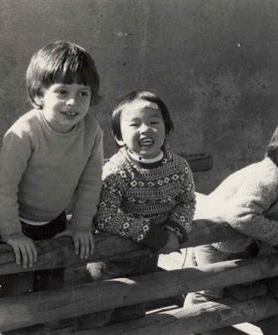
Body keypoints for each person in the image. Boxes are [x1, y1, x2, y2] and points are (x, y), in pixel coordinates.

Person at [185, 111, 278, 305]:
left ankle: (233, 298)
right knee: (207, 290)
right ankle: (194, 325)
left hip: (239, 240)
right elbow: (240, 215)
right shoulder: (268, 179)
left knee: (241, 280)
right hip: (213, 240)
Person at [0, 41, 103, 298]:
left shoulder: (92, 131)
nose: (73, 102)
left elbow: (90, 183)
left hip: (55, 221)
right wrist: (12, 234)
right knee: (17, 289)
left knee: (51, 288)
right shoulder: (24, 132)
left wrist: (82, 226)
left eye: (83, 93)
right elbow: (3, 187)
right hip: (15, 221)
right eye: (62, 92)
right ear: (39, 94)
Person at [77, 90, 196, 329]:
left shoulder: (179, 167)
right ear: (119, 136)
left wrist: (174, 231)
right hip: (111, 260)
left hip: (148, 258)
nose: (145, 129)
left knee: (133, 313)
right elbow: (105, 216)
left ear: (167, 129)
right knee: (97, 315)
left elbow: (187, 201)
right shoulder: (116, 170)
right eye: (135, 124)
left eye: (154, 122)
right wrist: (152, 235)